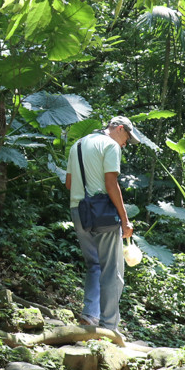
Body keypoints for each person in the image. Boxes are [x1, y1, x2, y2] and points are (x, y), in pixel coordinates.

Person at [64, 116, 139, 332]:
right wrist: (125, 220)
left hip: (78, 211)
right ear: (119, 129)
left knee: (94, 265)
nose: (125, 144)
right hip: (102, 214)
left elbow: (69, 183)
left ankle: (90, 316)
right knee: (112, 271)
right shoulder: (110, 145)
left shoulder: (77, 145)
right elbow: (110, 183)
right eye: (127, 138)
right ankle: (109, 327)